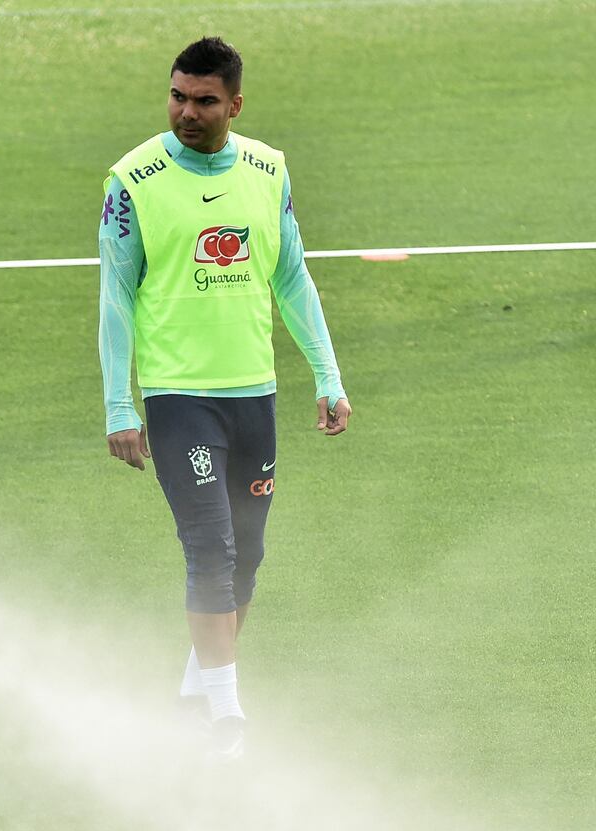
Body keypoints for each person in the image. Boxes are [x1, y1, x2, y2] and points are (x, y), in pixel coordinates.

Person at [98, 36, 351, 760]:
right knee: (210, 548)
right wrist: (121, 407)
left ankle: (192, 693)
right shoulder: (133, 179)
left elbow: (294, 279)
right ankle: (227, 722)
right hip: (179, 397)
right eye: (178, 95)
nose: (187, 111)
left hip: (254, 394)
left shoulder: (268, 171)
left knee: (246, 558)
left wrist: (327, 375)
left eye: (205, 100)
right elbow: (115, 297)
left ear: (234, 104)